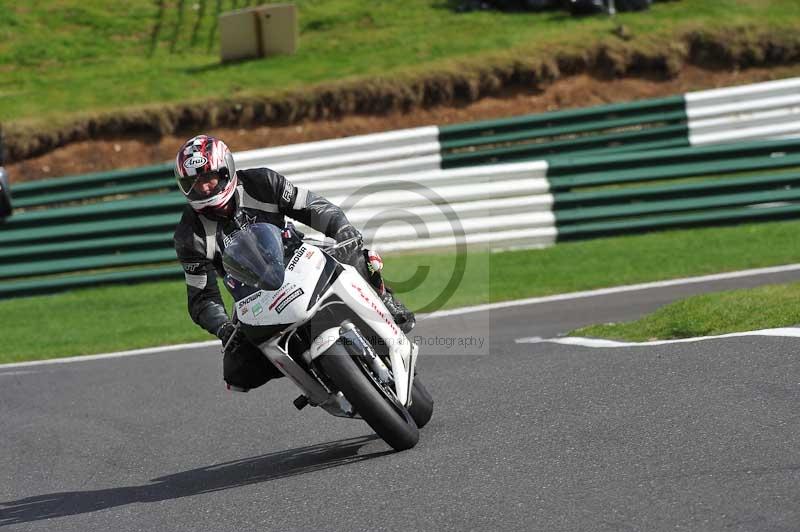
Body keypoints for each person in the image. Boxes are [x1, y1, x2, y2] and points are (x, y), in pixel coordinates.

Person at [173, 134, 415, 392]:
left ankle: (384, 299)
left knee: (357, 256)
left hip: (299, 254)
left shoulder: (261, 182)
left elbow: (313, 206)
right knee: (236, 370)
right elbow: (202, 297)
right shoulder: (190, 236)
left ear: (225, 172)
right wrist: (223, 327)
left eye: (208, 177)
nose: (204, 188)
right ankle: (313, 381)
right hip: (252, 293)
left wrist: (340, 229)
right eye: (195, 182)